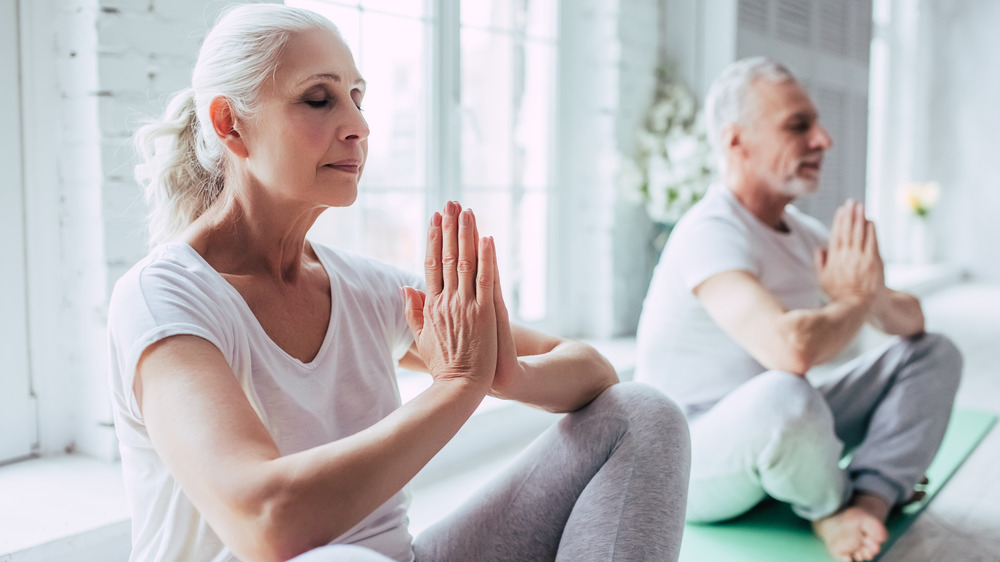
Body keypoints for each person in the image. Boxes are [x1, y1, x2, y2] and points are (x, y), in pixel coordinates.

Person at [106, 4, 691, 562]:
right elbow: (267, 524)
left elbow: (592, 370)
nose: (357, 126)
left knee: (640, 414)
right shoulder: (165, 298)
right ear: (229, 123)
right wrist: (458, 384)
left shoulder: (363, 289)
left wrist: (501, 370)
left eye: (357, 98)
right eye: (318, 99)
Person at [634, 56, 962, 562]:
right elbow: (790, 350)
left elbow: (911, 321)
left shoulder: (804, 234)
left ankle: (868, 500)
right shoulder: (709, 231)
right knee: (787, 392)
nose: (824, 140)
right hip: (686, 459)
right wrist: (854, 299)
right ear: (735, 141)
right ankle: (829, 507)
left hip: (781, 425)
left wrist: (869, 294)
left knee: (934, 353)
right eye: (798, 126)